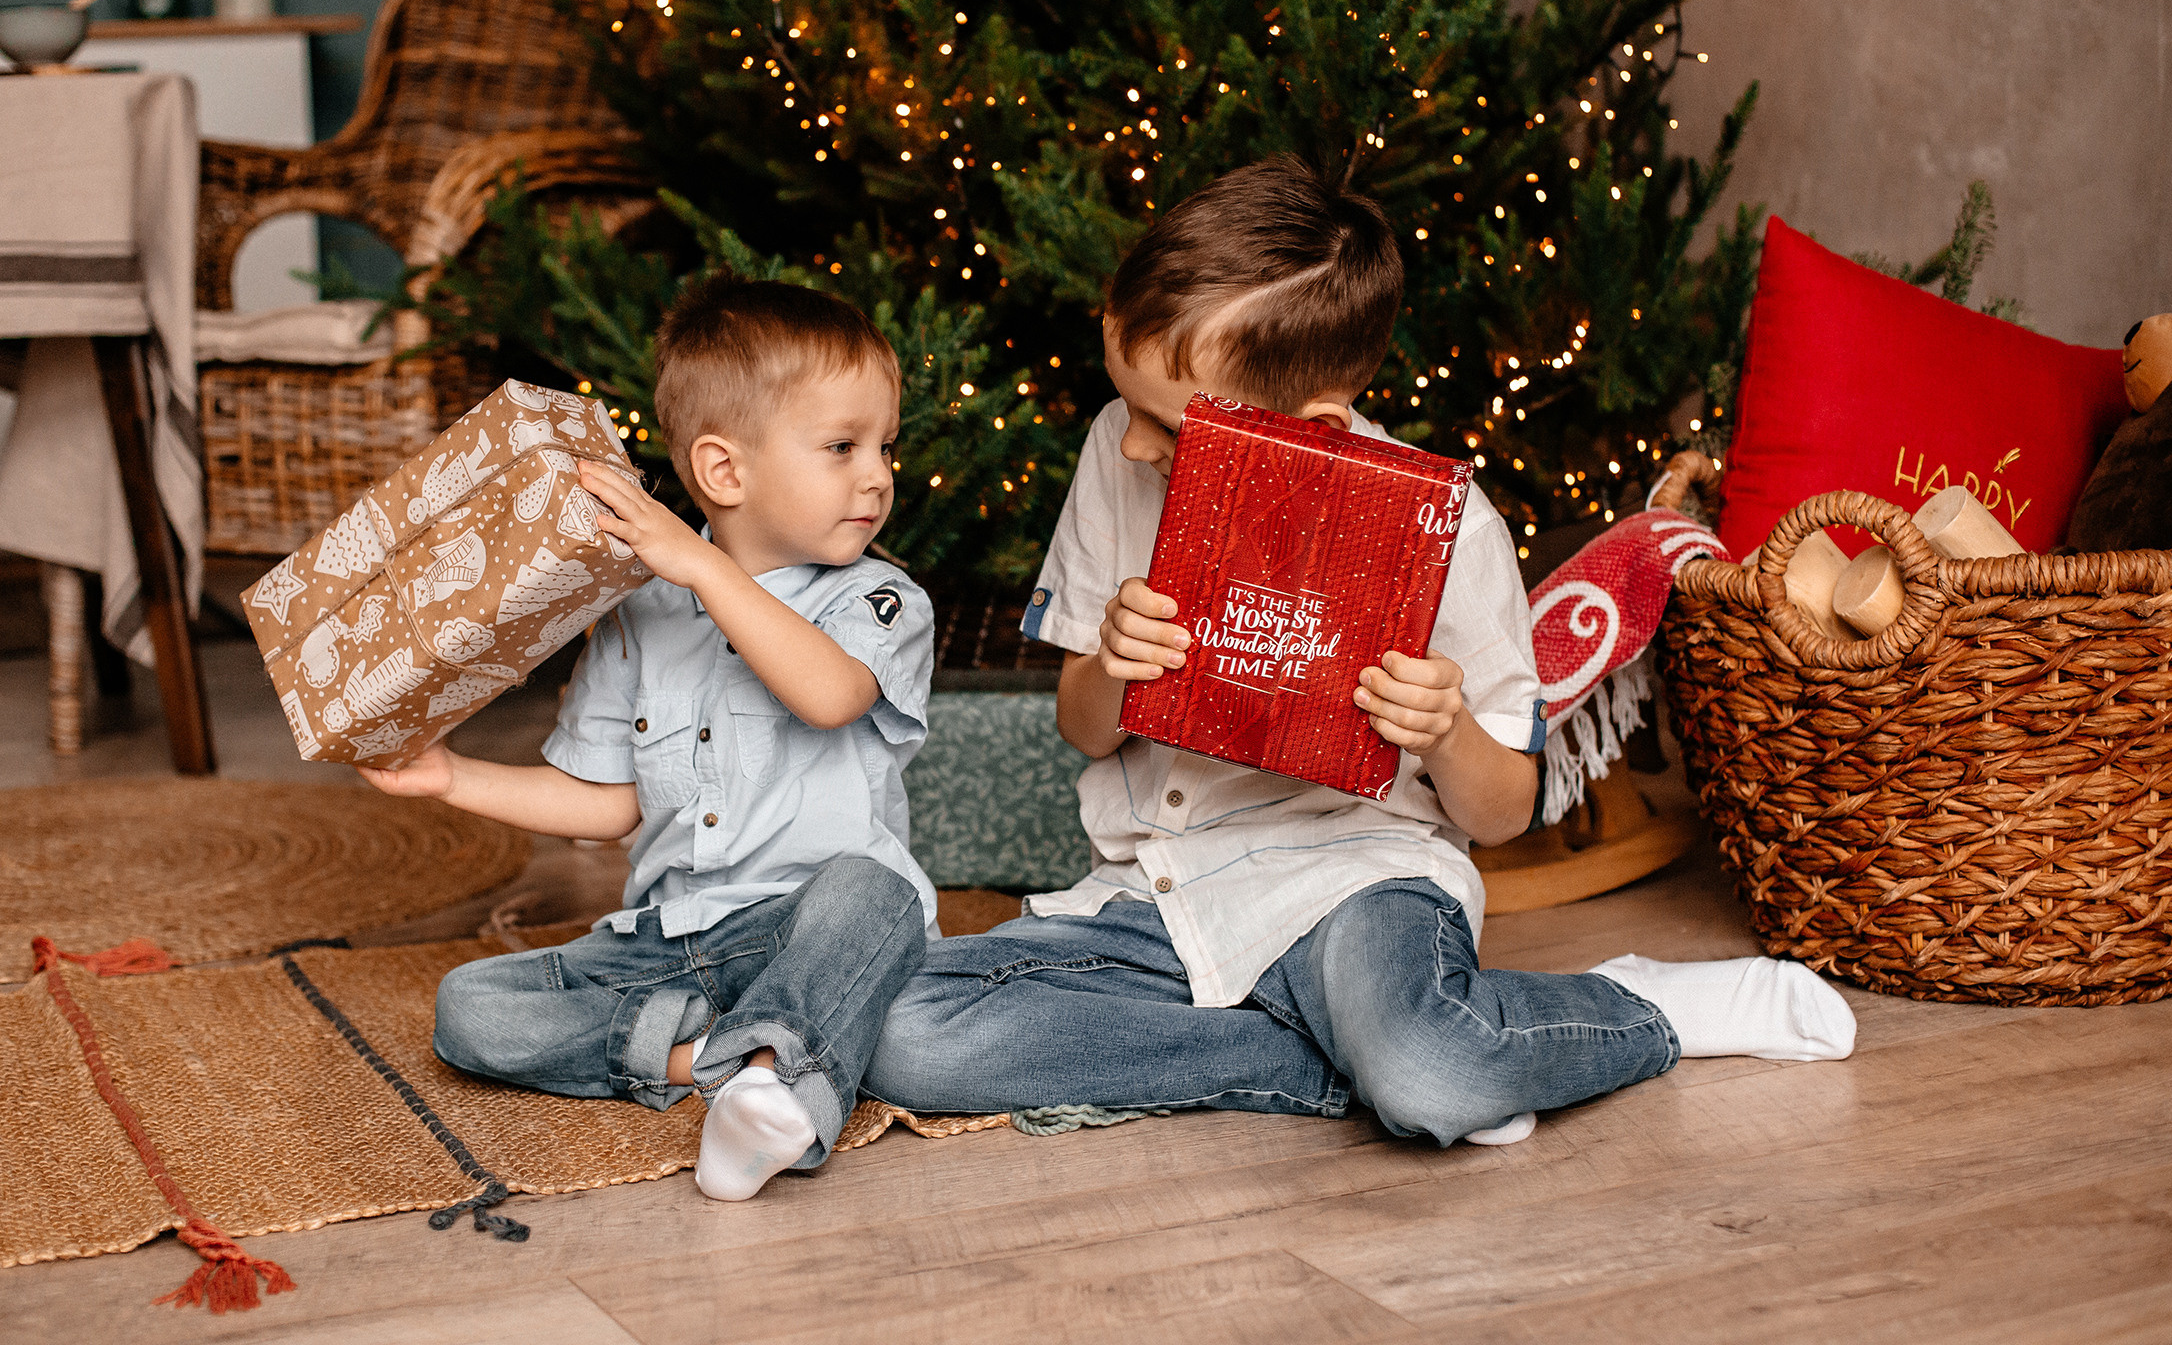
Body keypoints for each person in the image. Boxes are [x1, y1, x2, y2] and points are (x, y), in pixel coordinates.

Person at [864, 156, 1853, 1147]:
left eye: (1164, 424)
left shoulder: (1452, 534)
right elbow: (1084, 733)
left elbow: (1503, 812)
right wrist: (1110, 669)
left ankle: (1635, 1009)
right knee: (906, 1032)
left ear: (1313, 427)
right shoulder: (1118, 451)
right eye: (1125, 405)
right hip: (1161, 894)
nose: (1132, 444)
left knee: (1431, 1071)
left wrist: (1447, 731)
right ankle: (1334, 1059)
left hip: (1359, 884)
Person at [361, 277, 938, 1200]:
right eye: (843, 447)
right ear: (724, 473)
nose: (877, 475)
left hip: (810, 930)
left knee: (876, 891)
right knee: (472, 1009)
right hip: (673, 943)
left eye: (885, 446)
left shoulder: (880, 598)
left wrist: (703, 566)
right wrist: (451, 775)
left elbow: (830, 695)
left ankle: (782, 1058)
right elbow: (605, 807)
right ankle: (738, 1069)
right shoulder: (642, 614)